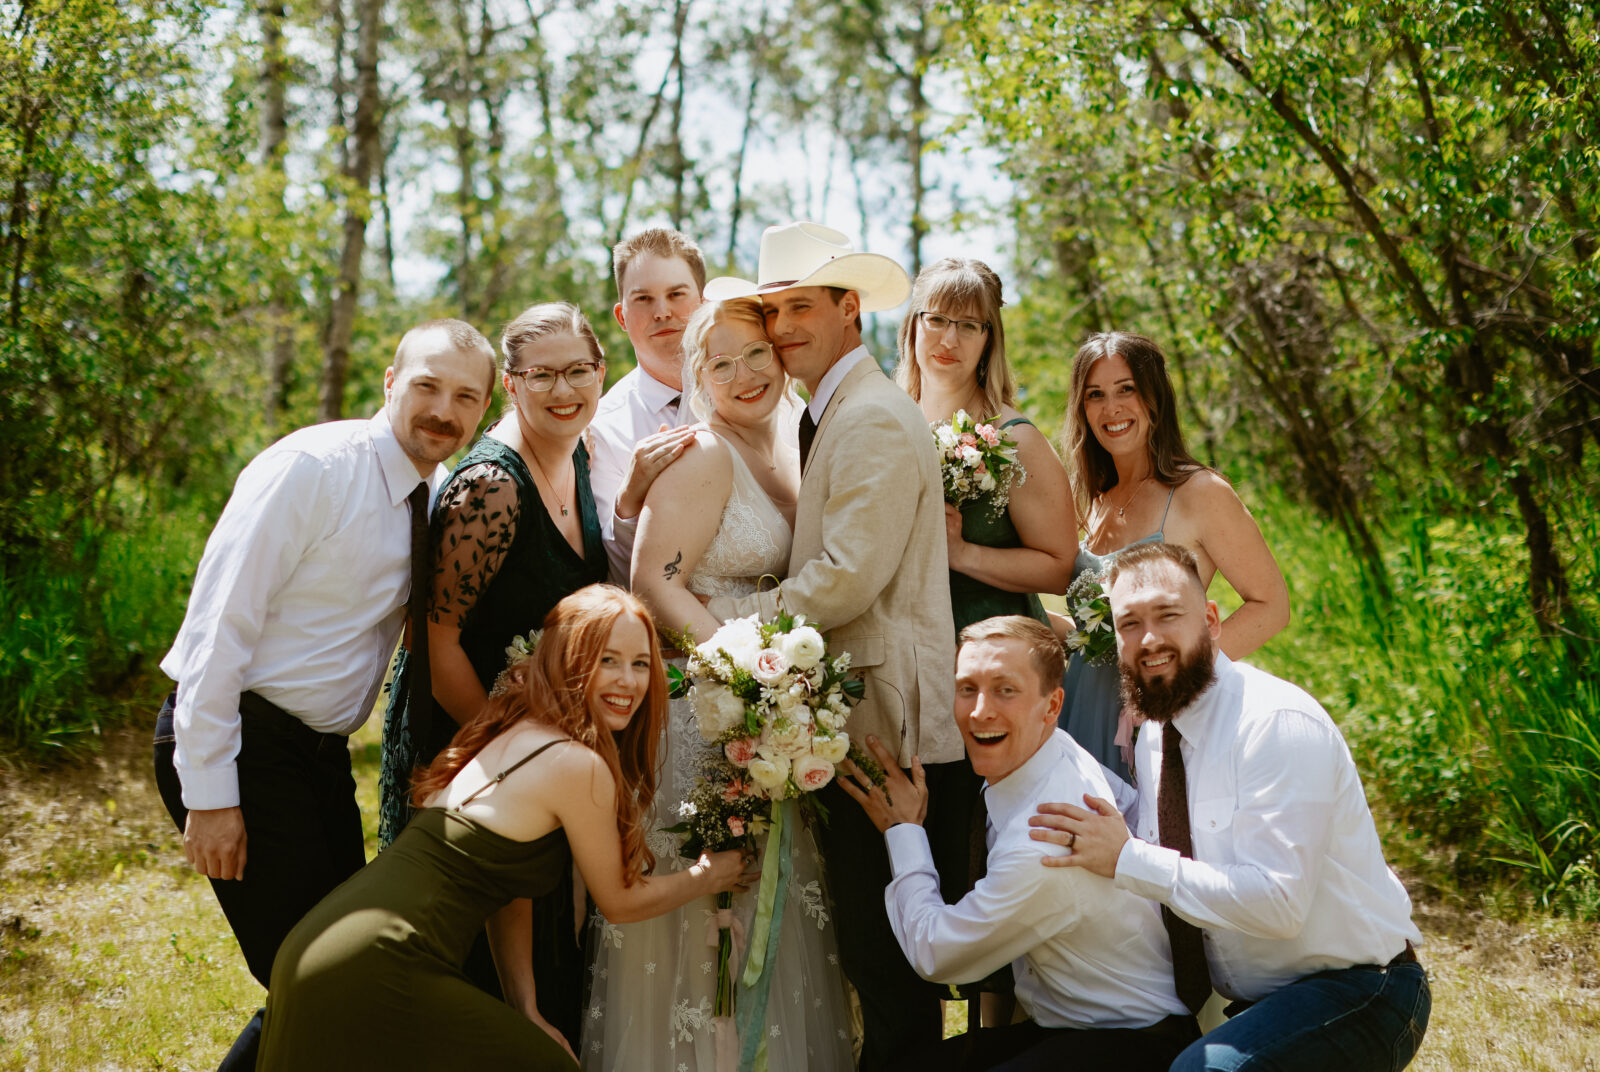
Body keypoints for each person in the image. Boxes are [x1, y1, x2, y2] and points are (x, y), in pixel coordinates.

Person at [152, 319, 496, 1070]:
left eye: (465, 396)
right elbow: (219, 628)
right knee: (323, 978)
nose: (443, 409)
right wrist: (211, 793)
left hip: (317, 760)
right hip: (245, 742)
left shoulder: (431, 494)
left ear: (483, 411)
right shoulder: (312, 468)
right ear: (389, 383)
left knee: (340, 972)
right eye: (427, 386)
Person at [256, 585, 755, 1071]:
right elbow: (620, 902)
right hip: (380, 960)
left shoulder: (515, 729)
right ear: (569, 663)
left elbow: (507, 884)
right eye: (607, 660)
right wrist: (708, 876)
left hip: (325, 942)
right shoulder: (576, 764)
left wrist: (524, 1006)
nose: (628, 681)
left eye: (640, 663)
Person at [702, 220, 969, 1070]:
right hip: (850, 711)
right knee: (870, 946)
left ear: (850, 309)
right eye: (772, 311)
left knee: (889, 959)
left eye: (801, 308)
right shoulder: (831, 413)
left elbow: (849, 574)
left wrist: (740, 628)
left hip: (888, 722)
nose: (781, 331)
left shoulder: (875, 420)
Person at [1030, 541, 1429, 1072]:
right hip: (1256, 1006)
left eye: (1168, 615)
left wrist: (1127, 859)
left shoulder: (1274, 724)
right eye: (1129, 624)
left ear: (1212, 620)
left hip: (1362, 990)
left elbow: (1278, 905)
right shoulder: (1155, 736)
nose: (1149, 639)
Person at [581, 298, 851, 1070]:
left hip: (776, 713)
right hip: (713, 718)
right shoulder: (702, 454)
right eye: (719, 363)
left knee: (774, 915)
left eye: (756, 354)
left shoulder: (795, 445)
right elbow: (655, 585)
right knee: (712, 933)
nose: (743, 375)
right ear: (697, 377)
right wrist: (748, 673)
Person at [378, 300, 612, 1045]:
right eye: (541, 375)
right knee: (472, 980)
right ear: (510, 385)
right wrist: (502, 754)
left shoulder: (578, 455)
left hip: (539, 756)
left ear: (602, 371)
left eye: (578, 370)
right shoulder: (492, 487)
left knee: (549, 961)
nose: (562, 389)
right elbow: (433, 638)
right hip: (467, 748)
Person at [839, 615, 1198, 1072]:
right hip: (1069, 1028)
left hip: (1131, 1047)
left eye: (1005, 690)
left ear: (1051, 706)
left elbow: (937, 953)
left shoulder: (1045, 836)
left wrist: (903, 831)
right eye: (967, 688)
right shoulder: (1054, 751)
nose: (978, 711)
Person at [1055, 331, 1289, 780]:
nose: (1112, 408)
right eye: (1095, 395)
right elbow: (1097, 634)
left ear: (1154, 399)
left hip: (1151, 723)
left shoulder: (1199, 493)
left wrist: (1177, 681)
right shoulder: (1094, 504)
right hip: (1079, 719)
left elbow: (1272, 605)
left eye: (1127, 389)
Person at [895, 257, 1074, 635]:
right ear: (914, 324)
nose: (948, 339)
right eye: (937, 319)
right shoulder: (887, 427)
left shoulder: (1014, 439)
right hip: (903, 654)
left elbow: (1061, 571)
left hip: (997, 661)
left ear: (988, 339)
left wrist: (963, 554)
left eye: (969, 326)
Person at [587, 227, 707, 583]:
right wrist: (631, 496)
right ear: (622, 317)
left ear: (703, 302)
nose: (662, 312)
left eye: (676, 294)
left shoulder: (751, 392)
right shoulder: (603, 427)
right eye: (643, 299)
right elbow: (617, 570)